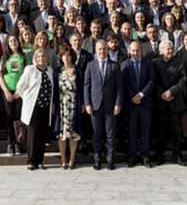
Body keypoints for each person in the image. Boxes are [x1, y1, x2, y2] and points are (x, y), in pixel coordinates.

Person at [84, 39, 123, 170]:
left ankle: (110, 159)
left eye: (104, 49)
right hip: (95, 105)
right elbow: (86, 86)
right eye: (99, 49)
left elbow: (119, 87)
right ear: (96, 50)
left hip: (110, 106)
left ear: (108, 50)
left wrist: (118, 103)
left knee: (110, 134)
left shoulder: (115, 65)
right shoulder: (90, 65)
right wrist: (87, 103)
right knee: (97, 134)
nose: (102, 51)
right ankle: (97, 160)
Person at [17, 48, 55, 170]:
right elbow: (20, 86)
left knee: (42, 134)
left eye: (43, 57)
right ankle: (31, 161)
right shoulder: (30, 70)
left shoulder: (50, 71)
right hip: (33, 107)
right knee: (33, 135)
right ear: (35, 58)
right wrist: (26, 98)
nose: (41, 59)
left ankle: (40, 160)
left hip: (46, 107)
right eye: (39, 57)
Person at [121, 40, 154, 168]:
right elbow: (124, 83)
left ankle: (145, 156)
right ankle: (132, 156)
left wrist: (141, 95)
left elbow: (151, 81)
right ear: (129, 51)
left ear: (141, 51)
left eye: (137, 50)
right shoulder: (125, 65)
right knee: (132, 131)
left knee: (145, 131)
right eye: (133, 50)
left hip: (145, 102)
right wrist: (132, 96)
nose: (135, 52)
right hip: (131, 104)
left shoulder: (148, 64)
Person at [54, 48, 84, 170]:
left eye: (68, 55)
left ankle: (72, 159)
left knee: (74, 133)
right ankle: (63, 159)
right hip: (61, 104)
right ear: (61, 58)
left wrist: (82, 103)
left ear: (72, 56)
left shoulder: (78, 71)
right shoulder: (57, 71)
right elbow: (55, 90)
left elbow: (81, 88)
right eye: (63, 56)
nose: (66, 58)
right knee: (61, 133)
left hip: (74, 104)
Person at [0, 34, 27, 155]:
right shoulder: (4, 58)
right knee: (9, 117)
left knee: (19, 117)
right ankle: (11, 143)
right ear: (7, 44)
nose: (13, 42)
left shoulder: (24, 56)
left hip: (20, 92)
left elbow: (27, 75)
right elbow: (0, 76)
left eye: (15, 40)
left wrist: (18, 92)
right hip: (7, 91)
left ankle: (19, 143)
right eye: (10, 41)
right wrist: (6, 91)